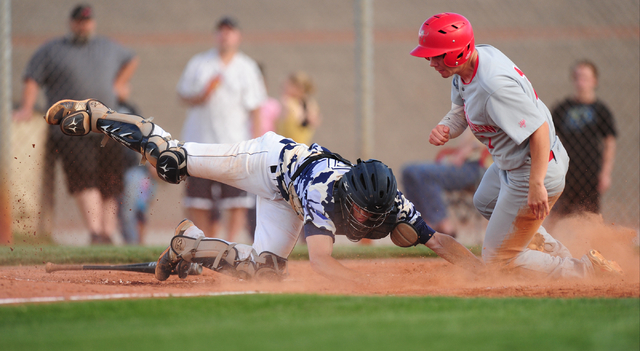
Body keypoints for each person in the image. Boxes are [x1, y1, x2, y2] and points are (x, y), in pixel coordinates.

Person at [44, 98, 484, 283]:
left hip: (284, 197)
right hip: (265, 162)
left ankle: (189, 245)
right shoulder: (324, 196)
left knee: (268, 272)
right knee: (173, 162)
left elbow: (439, 241)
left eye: (375, 213)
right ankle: (98, 115)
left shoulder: (393, 203)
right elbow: (323, 264)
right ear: (348, 197)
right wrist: (371, 286)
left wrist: (483, 273)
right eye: (362, 212)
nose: (368, 221)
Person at [409, 12, 622, 278]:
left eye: (436, 55)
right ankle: (552, 250)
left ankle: (587, 271)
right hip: (512, 164)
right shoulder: (469, 65)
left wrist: (536, 184)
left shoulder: (494, 87)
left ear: (457, 53)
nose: (430, 62)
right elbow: (464, 107)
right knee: (485, 200)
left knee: (498, 260)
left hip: (535, 165)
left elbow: (539, 130)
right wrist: (446, 127)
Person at [12, 3, 139, 245]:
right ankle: (95, 233)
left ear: (93, 22)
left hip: (106, 125)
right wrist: (27, 108)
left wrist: (119, 84)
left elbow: (132, 59)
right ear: (71, 23)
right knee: (84, 179)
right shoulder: (53, 50)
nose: (84, 25)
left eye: (88, 20)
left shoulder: (107, 46)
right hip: (71, 128)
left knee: (111, 181)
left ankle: (107, 234)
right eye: (80, 21)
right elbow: (32, 77)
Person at [176, 16, 267, 242]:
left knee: (236, 200)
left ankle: (231, 242)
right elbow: (183, 95)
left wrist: (257, 144)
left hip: (233, 144)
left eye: (230, 31)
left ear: (238, 36)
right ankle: (204, 243)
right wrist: (202, 94)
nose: (225, 35)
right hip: (199, 143)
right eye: (221, 31)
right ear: (215, 35)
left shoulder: (247, 67)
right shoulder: (200, 63)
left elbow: (256, 108)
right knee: (198, 200)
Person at [550, 60, 617, 216]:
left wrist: (606, 173)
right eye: (578, 77)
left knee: (590, 214)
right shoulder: (562, 108)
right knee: (559, 214)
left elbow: (610, 142)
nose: (581, 82)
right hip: (565, 172)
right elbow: (549, 139)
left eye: (585, 78)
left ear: (595, 81)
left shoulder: (601, 110)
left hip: (591, 172)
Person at [402, 129, 491, 237]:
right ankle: (419, 222)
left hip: (477, 167)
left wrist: (470, 148)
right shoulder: (471, 116)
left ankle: (444, 225)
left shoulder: (494, 115)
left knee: (427, 175)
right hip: (461, 164)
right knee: (408, 171)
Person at [116, 100, 157, 245]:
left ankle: (136, 243)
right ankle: (131, 242)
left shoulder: (129, 108)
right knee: (123, 214)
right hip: (115, 172)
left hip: (136, 172)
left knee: (136, 211)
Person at [276, 71, 322, 146]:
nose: (284, 87)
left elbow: (299, 120)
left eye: (288, 85)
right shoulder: (308, 104)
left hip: (289, 146)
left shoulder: (290, 103)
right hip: (300, 146)